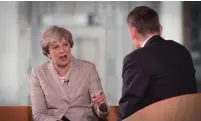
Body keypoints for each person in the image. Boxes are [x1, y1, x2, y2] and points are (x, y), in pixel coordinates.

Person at [118, 6, 197, 121]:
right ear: (160, 29)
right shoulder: (182, 51)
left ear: (132, 32)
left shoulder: (135, 59)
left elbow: (129, 107)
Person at [30, 26, 109, 121]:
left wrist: (102, 105)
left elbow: (101, 113)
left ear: (70, 46)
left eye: (65, 44)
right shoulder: (38, 73)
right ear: (48, 53)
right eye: (55, 47)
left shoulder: (88, 68)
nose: (62, 50)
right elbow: (39, 115)